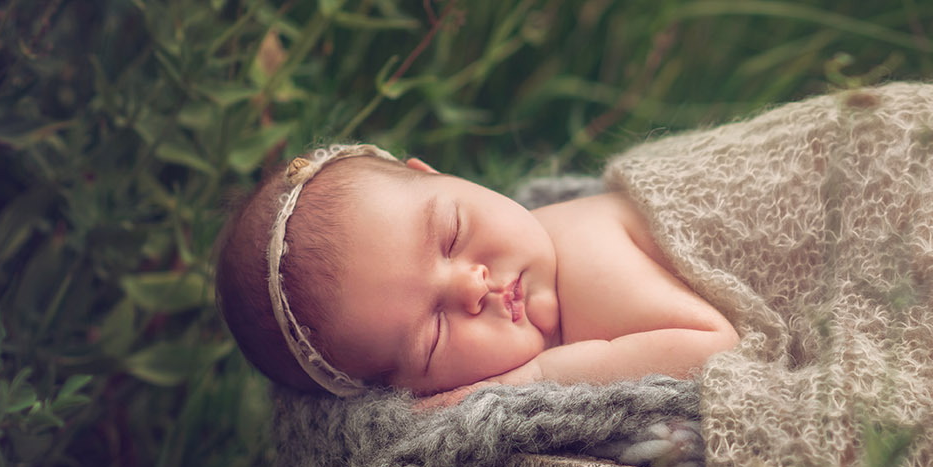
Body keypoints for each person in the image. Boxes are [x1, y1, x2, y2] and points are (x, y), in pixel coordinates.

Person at [214, 144, 738, 407]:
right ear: (411, 391)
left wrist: (530, 382)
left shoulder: (584, 257)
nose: (472, 287)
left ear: (436, 174)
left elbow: (715, 353)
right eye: (434, 332)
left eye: (452, 235)